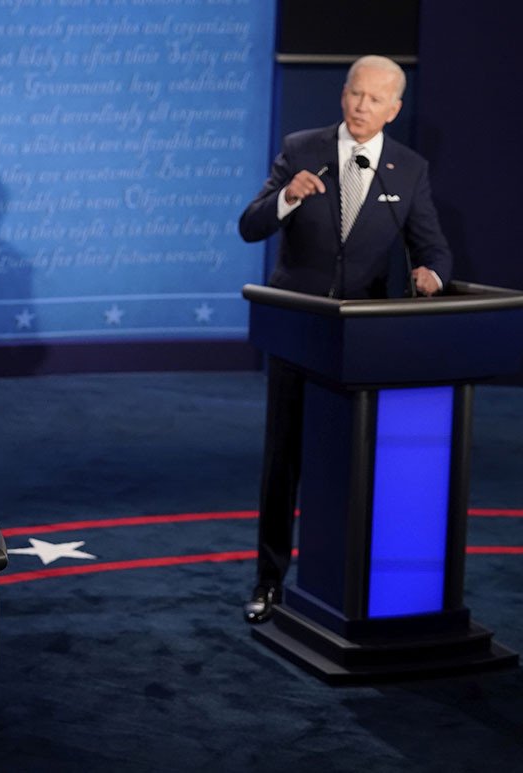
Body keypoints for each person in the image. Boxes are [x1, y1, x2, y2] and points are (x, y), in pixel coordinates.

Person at [237, 55, 453, 623]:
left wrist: (431, 274)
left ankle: (348, 586)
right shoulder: (302, 148)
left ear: (394, 110)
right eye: (355, 95)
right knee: (284, 461)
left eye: (374, 100)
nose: (361, 107)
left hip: (365, 342)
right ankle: (269, 581)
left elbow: (432, 247)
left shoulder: (408, 170)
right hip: (299, 329)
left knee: (355, 466)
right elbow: (250, 224)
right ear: (342, 95)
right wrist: (287, 198)